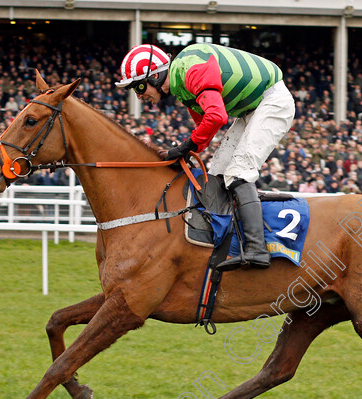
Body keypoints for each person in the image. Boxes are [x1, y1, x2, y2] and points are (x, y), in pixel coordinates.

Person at [116, 43, 295, 270]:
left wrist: (185, 147)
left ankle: (257, 249)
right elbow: (204, 129)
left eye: (139, 87)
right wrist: (183, 152)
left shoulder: (191, 70)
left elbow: (217, 116)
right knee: (217, 173)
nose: (139, 96)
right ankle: (230, 242)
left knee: (238, 173)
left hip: (272, 102)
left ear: (155, 75)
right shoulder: (181, 85)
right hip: (251, 109)